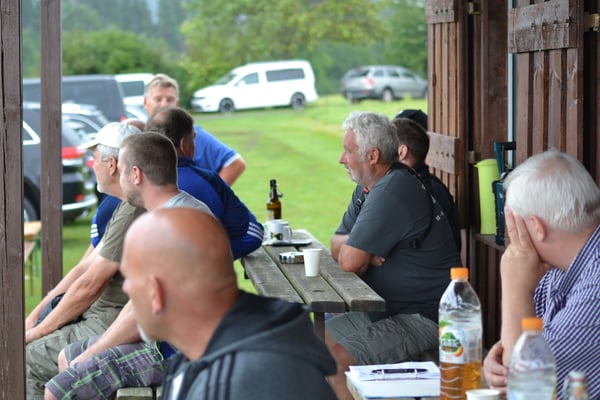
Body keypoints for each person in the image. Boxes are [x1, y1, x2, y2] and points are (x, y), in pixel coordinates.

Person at [44, 133, 214, 400]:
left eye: (122, 172)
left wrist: (92, 354)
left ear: (135, 175)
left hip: (180, 351)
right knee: (68, 357)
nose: (119, 180)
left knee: (57, 390)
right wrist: (92, 352)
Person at [121, 207, 338, 399]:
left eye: (129, 278)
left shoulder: (243, 384)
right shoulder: (197, 358)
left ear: (155, 293)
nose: (125, 288)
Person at [327, 111, 461, 400]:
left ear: (372, 156)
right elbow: (336, 245)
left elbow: (348, 261)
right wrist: (364, 247)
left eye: (348, 151)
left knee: (334, 362)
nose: (341, 158)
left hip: (423, 316)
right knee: (311, 340)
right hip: (384, 310)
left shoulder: (394, 188)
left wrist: (361, 249)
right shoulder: (368, 188)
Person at [24, 122, 145, 399]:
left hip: (111, 321)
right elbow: (84, 269)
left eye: (94, 158)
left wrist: (39, 331)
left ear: (112, 164)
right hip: (104, 315)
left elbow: (90, 284)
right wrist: (36, 318)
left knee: (26, 358)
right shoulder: (125, 205)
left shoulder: (133, 209)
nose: (92, 165)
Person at [482, 150, 600, 399]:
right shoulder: (557, 266)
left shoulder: (596, 284)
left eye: (512, 222)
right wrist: (498, 358)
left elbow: (525, 384)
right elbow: (530, 343)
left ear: (536, 227)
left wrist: (514, 286)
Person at [145, 105, 263, 259]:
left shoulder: (133, 183)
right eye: (193, 139)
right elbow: (253, 234)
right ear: (184, 145)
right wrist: (211, 256)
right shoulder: (208, 181)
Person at [143, 73, 247, 185]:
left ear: (177, 104)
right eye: (158, 99)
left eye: (170, 99)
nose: (164, 104)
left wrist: (212, 192)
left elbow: (235, 163)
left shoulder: (192, 135)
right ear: (145, 102)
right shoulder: (138, 137)